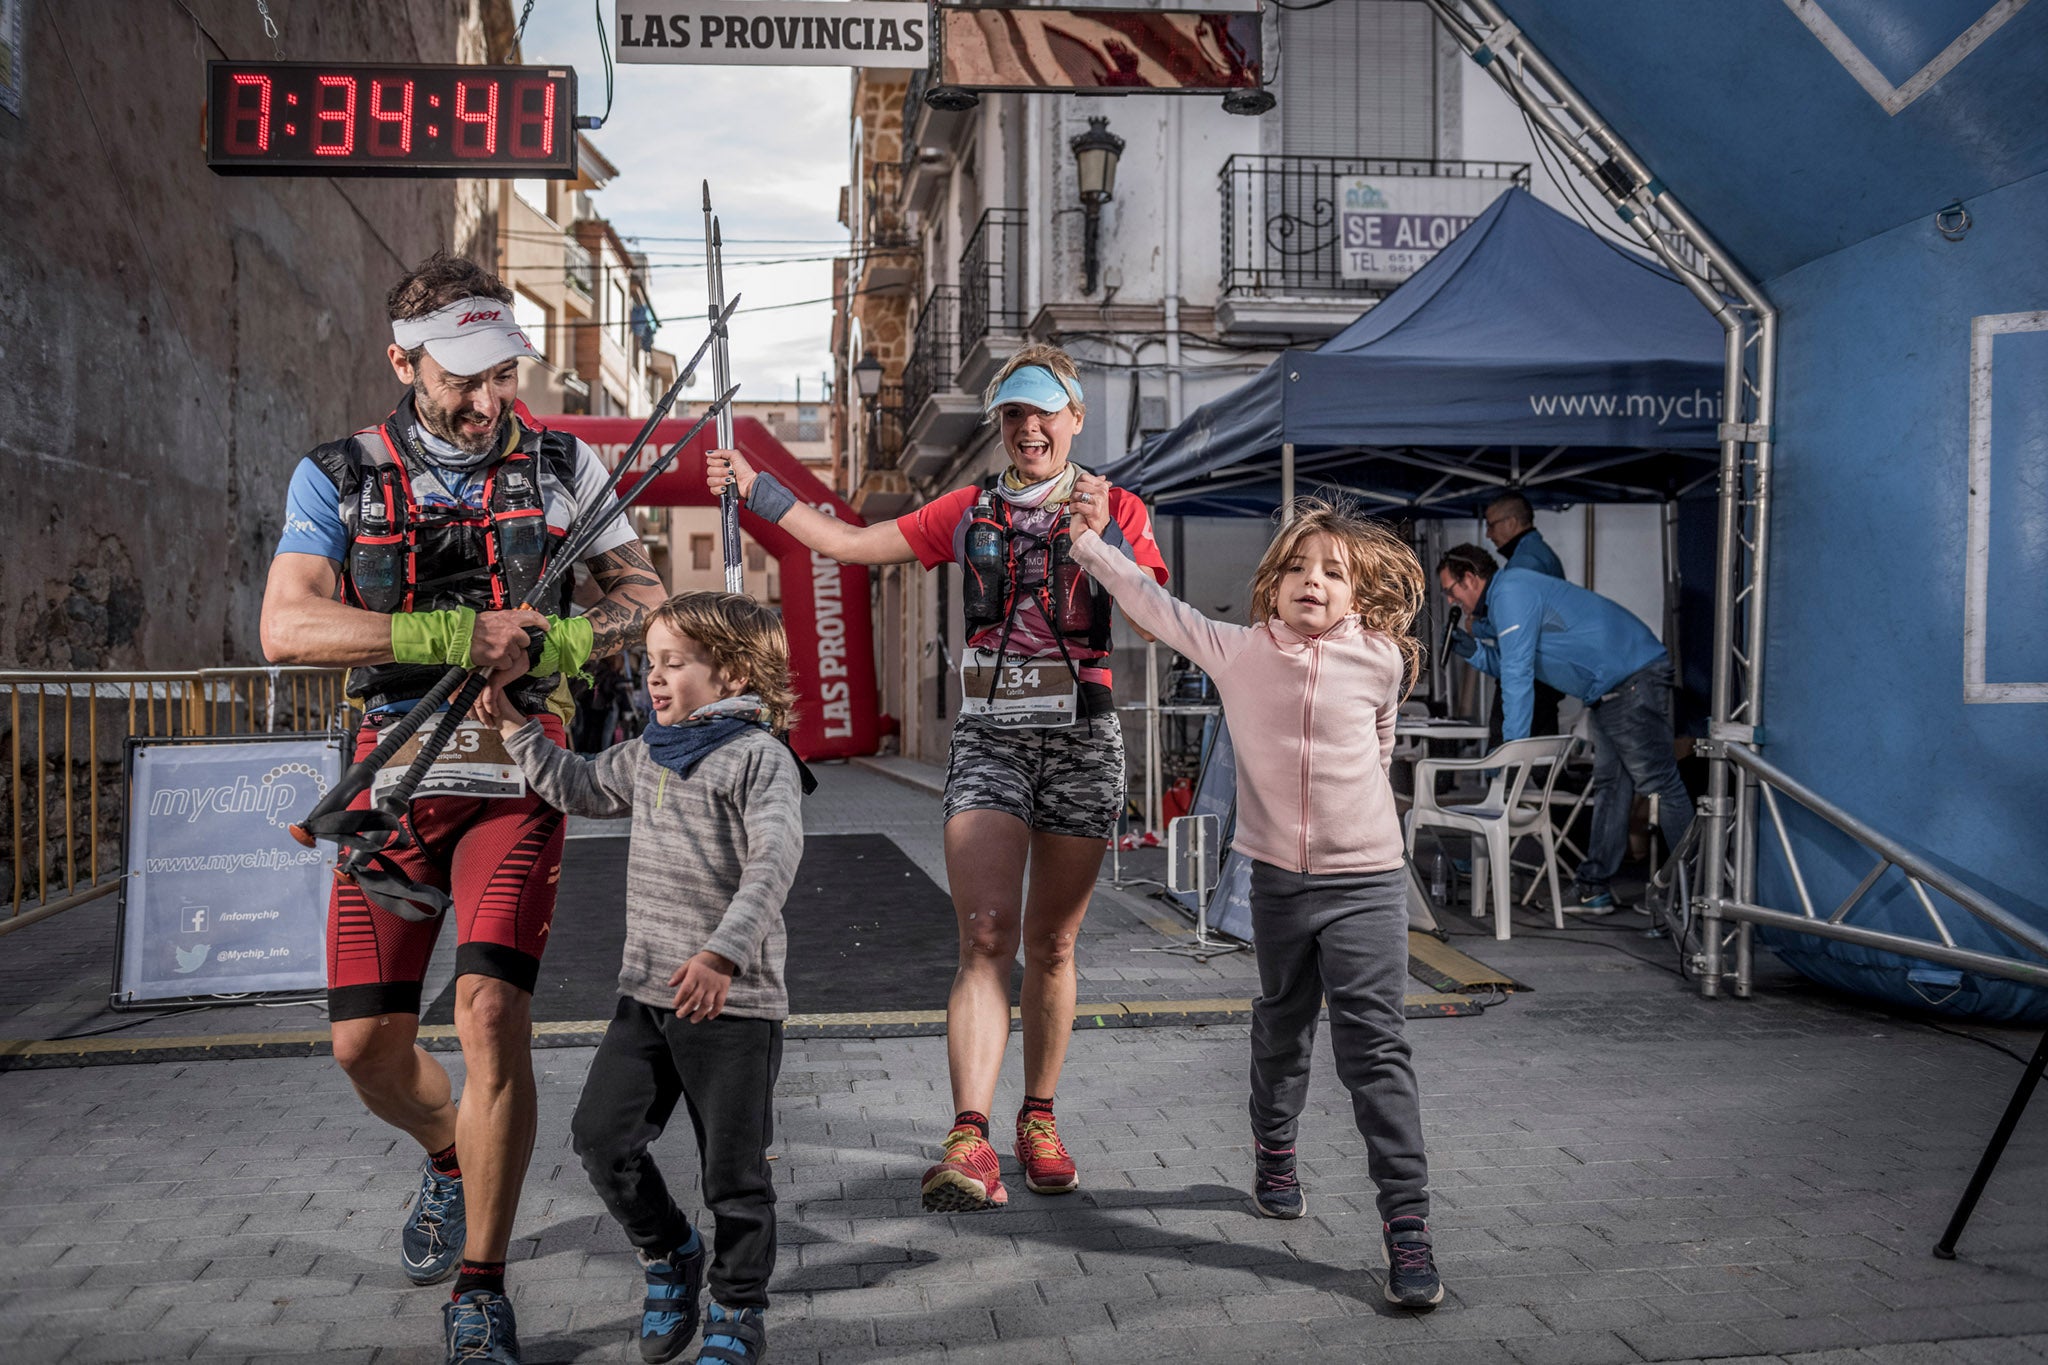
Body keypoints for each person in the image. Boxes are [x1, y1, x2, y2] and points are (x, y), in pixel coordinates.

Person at [259, 252, 666, 1364]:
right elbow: (287, 627)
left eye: (503, 376)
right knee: (361, 1048)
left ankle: (480, 1287)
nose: (489, 402)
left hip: (511, 783)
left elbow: (646, 600)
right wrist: (451, 634)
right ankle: (449, 1152)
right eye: (463, 379)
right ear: (404, 363)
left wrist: (559, 637)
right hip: (388, 785)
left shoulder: (559, 466)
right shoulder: (336, 474)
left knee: (489, 1015)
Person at [705, 343, 1167, 1212]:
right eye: (1014, 415)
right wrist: (760, 491)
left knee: (1056, 943)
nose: (1028, 427)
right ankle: (968, 1135)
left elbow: (1149, 609)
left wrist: (1100, 539)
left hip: (1080, 738)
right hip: (991, 735)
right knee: (986, 934)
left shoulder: (1122, 507)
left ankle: (1039, 1116)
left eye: (1044, 413)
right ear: (1003, 426)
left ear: (1074, 419)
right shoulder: (968, 509)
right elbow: (850, 542)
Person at [1066, 488, 1445, 1311]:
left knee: (1374, 1049)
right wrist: (1095, 547)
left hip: (1369, 884)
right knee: (1281, 1022)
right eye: (1300, 568)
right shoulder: (1235, 651)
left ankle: (1407, 1229)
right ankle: (1275, 1149)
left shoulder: (1383, 659)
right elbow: (1151, 603)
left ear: (1358, 593)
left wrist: (1356, 833)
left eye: (1336, 573)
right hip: (1276, 881)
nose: (1316, 581)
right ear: (1273, 584)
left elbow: (1380, 745)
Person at [485, 592, 803, 1365]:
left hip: (732, 1003)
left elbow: (774, 861)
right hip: (646, 997)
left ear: (729, 670)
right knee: (601, 1138)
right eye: (651, 662)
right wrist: (515, 727)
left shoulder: (760, 757)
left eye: (674, 663)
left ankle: (737, 1309)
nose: (654, 678)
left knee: (733, 1174)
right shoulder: (650, 750)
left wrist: (724, 953)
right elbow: (582, 784)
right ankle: (669, 1251)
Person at [1439, 542, 1694, 914]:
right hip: (1611, 690)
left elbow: (1518, 676)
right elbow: (1505, 661)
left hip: (1632, 681)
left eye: (1451, 590)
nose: (1450, 601)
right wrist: (1471, 650)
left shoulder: (1511, 591)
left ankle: (1699, 893)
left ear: (1472, 578)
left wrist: (1514, 749)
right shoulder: (1506, 600)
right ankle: (1594, 887)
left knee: (1661, 784)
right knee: (1611, 787)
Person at [1476, 493, 1564, 740]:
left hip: (1534, 675)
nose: (1488, 535)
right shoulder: (1540, 555)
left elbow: (1516, 623)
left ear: (1512, 522)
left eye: (1491, 525)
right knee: (1543, 763)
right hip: (1545, 675)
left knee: (1506, 754)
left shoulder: (1527, 562)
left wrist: (1479, 627)